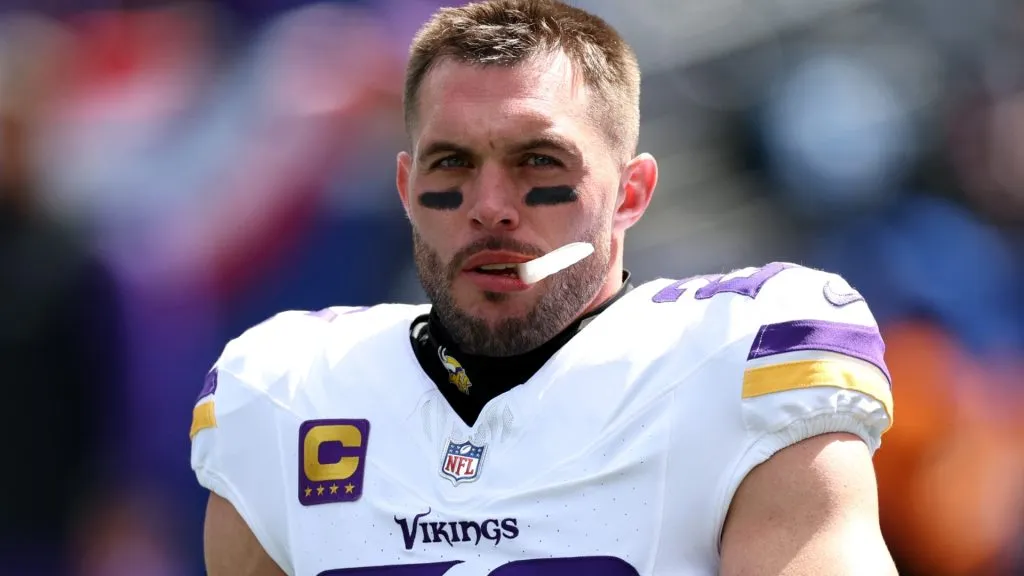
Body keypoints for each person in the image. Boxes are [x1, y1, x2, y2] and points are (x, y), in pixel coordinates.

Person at [190, 1, 897, 574]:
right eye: (452, 163)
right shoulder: (286, 390)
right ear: (407, 190)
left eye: (537, 160)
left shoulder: (740, 355)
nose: (489, 204)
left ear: (629, 193)